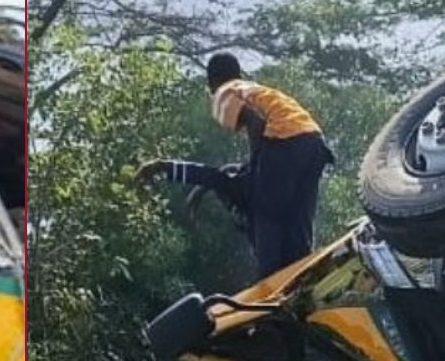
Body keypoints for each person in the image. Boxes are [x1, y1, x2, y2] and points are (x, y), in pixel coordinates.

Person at [138, 53, 334, 280]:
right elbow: (214, 177)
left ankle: (269, 280)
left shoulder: (226, 91)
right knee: (299, 223)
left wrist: (163, 166)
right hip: (315, 145)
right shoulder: (258, 92)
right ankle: (304, 273)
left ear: (212, 82)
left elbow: (253, 121)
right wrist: (194, 188)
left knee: (267, 214)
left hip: (284, 146)